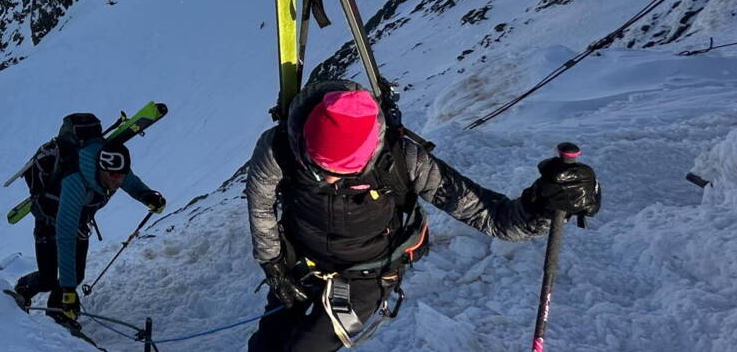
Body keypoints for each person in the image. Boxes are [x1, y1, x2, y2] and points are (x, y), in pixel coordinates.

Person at [245, 80, 600, 351]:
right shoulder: (280, 148)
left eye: (343, 173)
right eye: (321, 170)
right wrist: (273, 264)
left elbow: (493, 217)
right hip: (300, 266)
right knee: (265, 345)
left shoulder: (403, 161)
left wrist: (544, 205)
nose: (330, 180)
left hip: (366, 279)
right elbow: (260, 205)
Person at [12, 121, 166, 330]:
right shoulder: (75, 182)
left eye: (121, 175)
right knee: (48, 279)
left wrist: (147, 195)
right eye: (114, 176)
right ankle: (23, 289)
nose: (118, 181)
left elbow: (131, 182)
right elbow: (65, 235)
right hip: (50, 221)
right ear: (102, 169)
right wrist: (68, 289)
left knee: (77, 274)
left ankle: (57, 313)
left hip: (80, 223)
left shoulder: (114, 166)